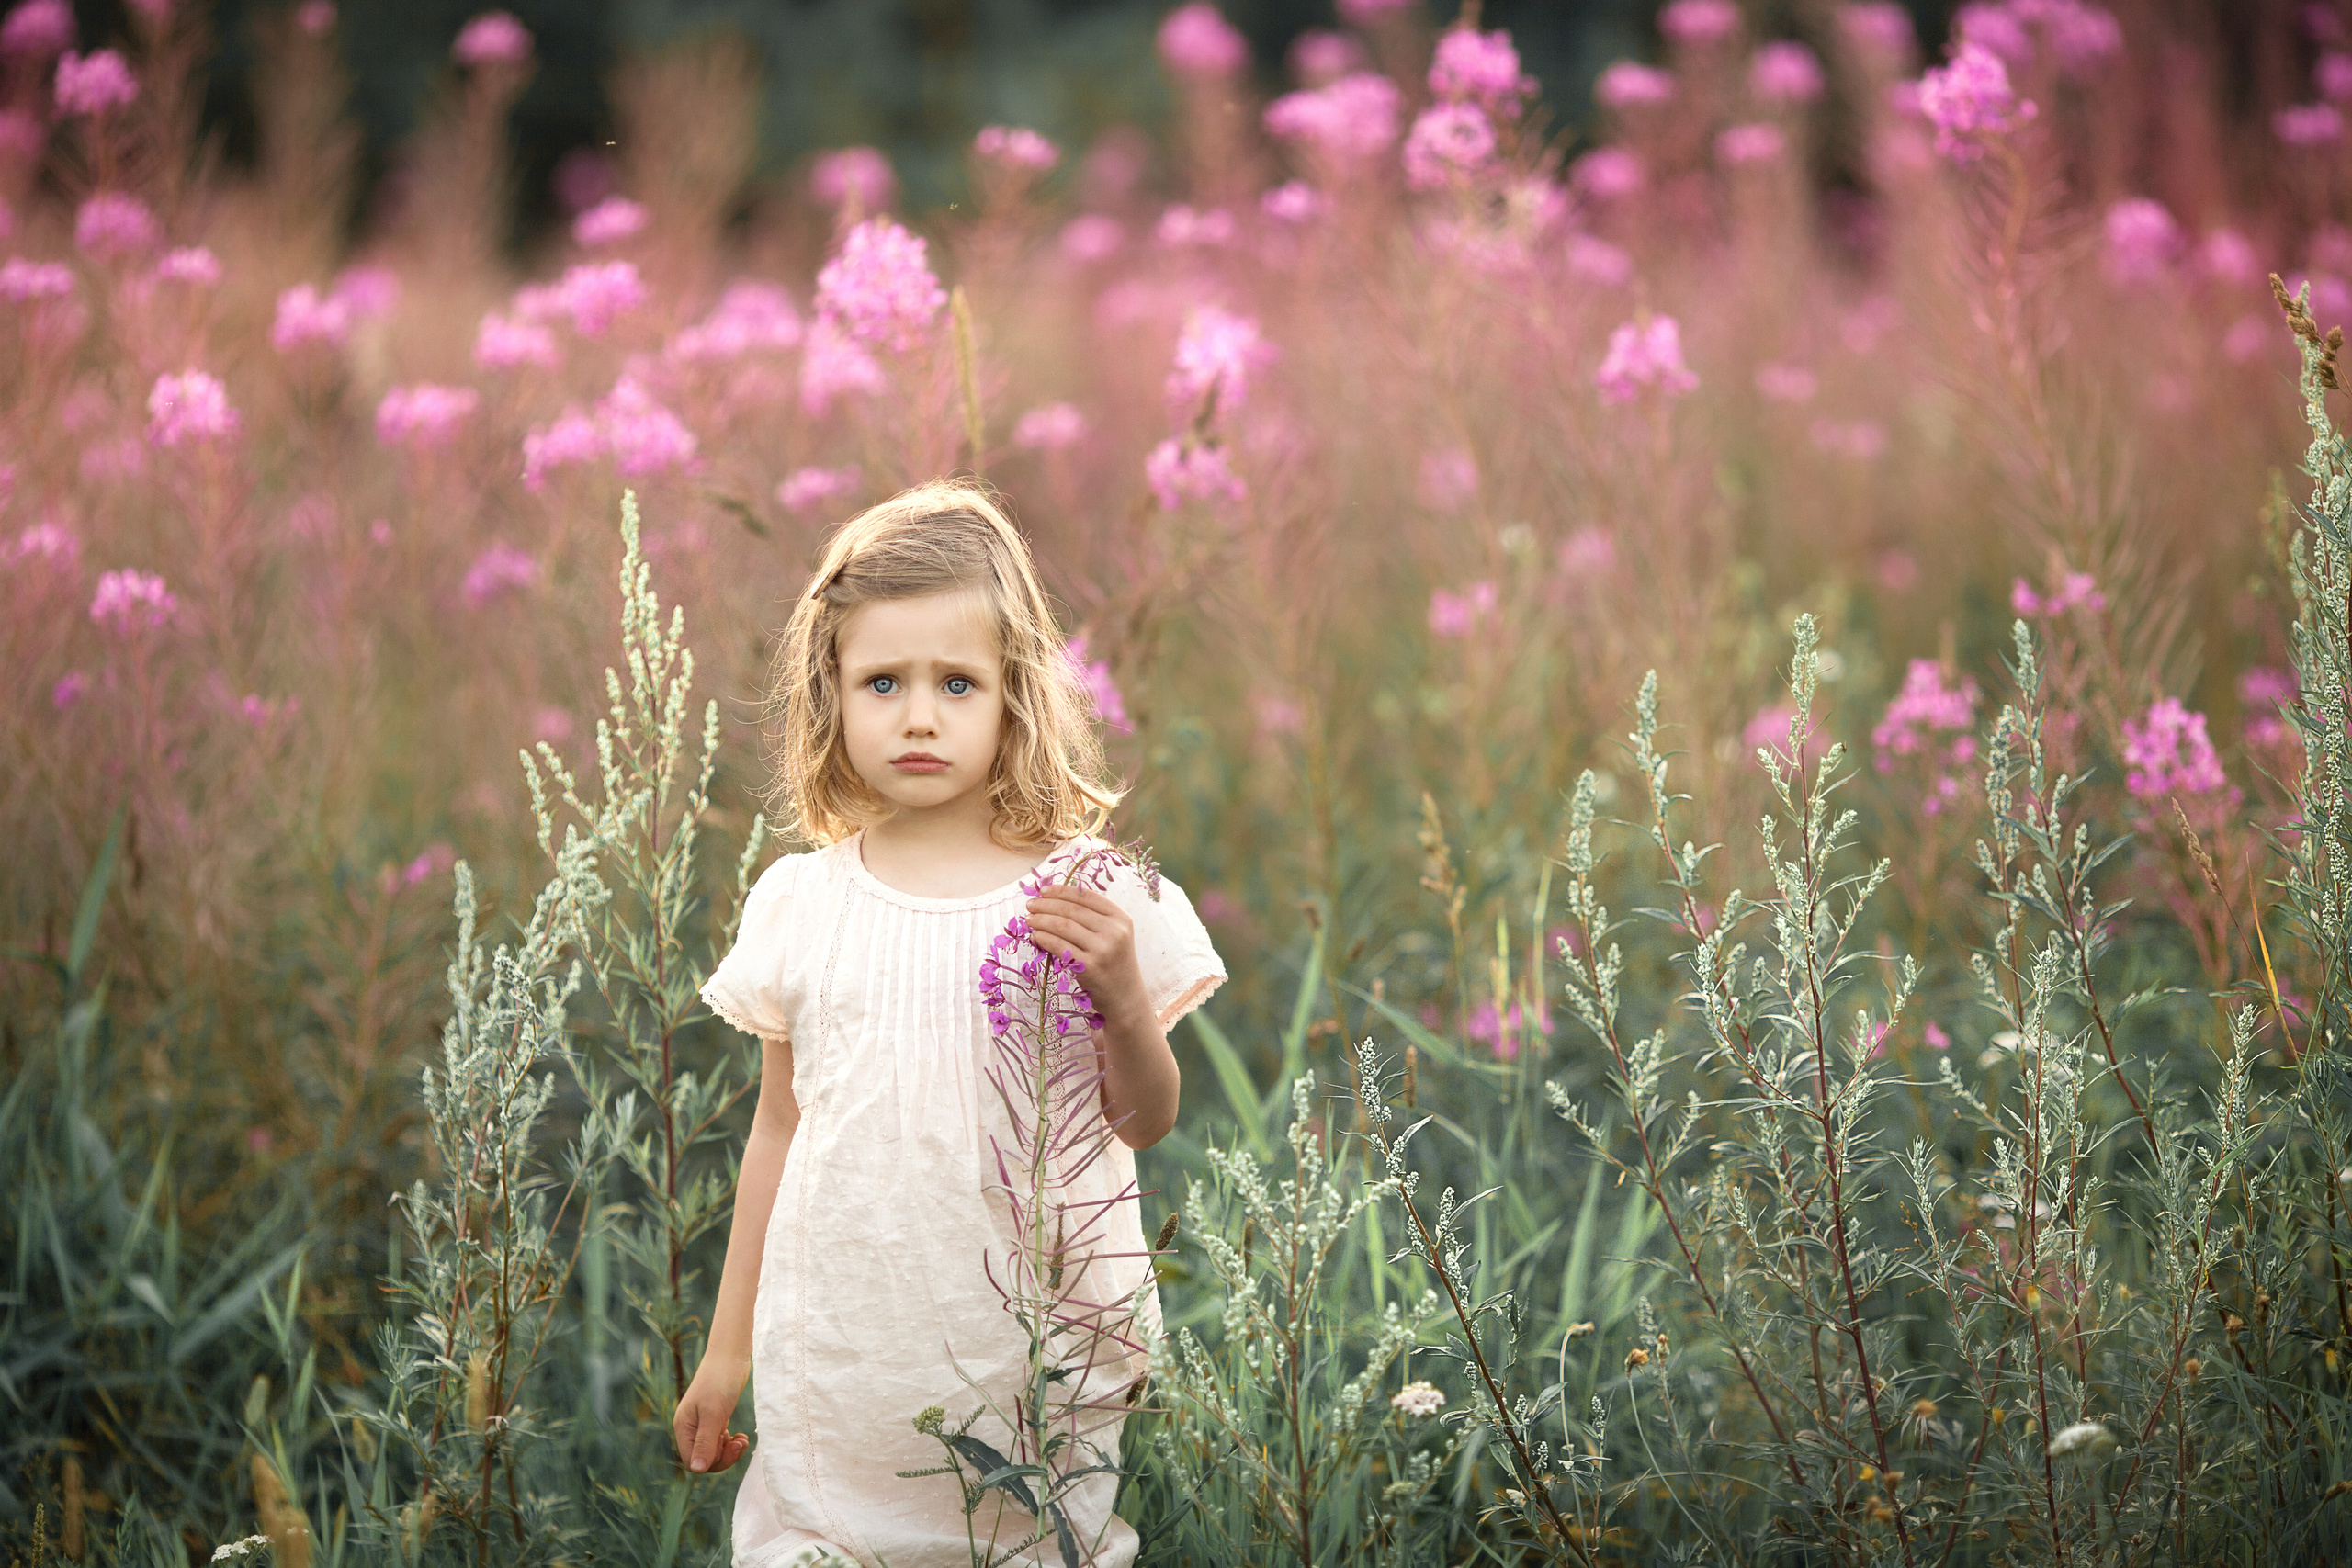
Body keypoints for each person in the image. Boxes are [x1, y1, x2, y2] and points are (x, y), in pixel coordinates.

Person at [676, 479, 1227, 1567]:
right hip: (843, 1344)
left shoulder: (1092, 892)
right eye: (883, 680)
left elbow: (1145, 1120)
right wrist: (724, 1352)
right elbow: (777, 1131)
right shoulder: (803, 901)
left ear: (1013, 698)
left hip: (1027, 1346)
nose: (918, 714)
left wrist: (1122, 996)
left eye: (957, 683)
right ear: (830, 694)